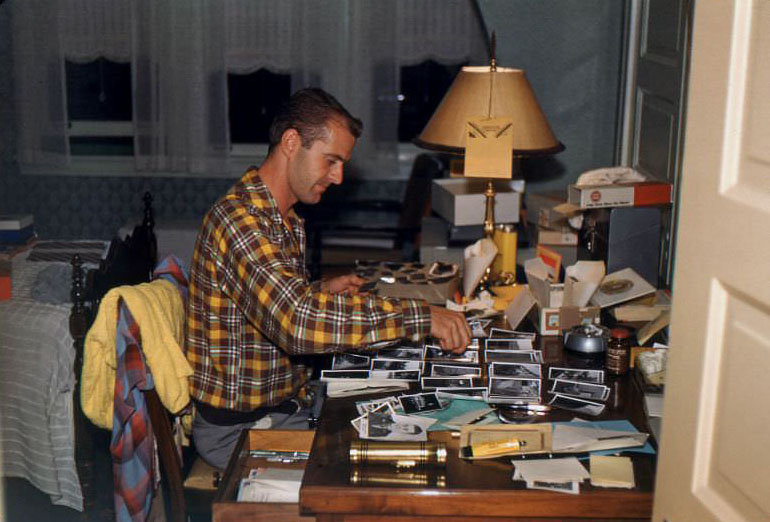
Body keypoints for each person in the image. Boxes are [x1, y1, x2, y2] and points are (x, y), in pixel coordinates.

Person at [186, 88, 471, 469]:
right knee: (383, 471)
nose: (337, 177)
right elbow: (297, 323)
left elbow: (264, 303)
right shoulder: (242, 221)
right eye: (331, 160)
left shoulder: (281, 217)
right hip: (243, 430)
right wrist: (423, 317)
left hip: (285, 406)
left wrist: (318, 290)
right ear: (291, 142)